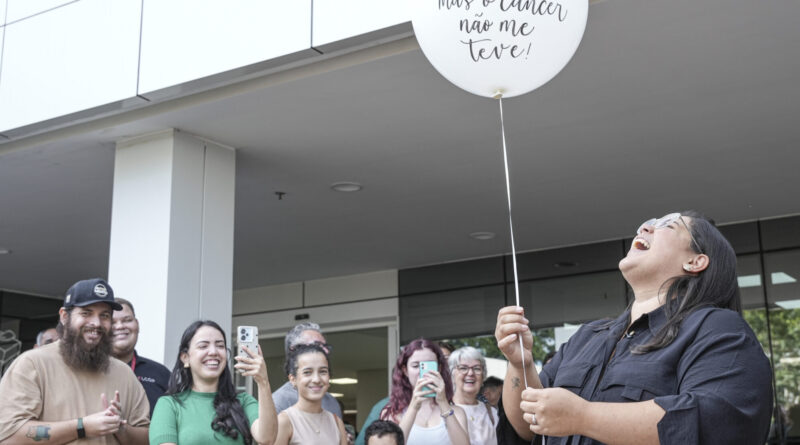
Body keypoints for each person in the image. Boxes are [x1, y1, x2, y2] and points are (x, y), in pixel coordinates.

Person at [495, 211, 773, 444]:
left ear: (694, 261)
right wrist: (520, 365)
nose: (645, 227)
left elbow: (713, 421)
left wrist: (584, 417)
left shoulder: (716, 328)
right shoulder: (588, 336)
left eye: (668, 226)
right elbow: (528, 428)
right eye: (649, 223)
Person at [0, 277, 150, 444]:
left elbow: (147, 438)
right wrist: (81, 427)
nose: (96, 323)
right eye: (86, 313)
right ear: (64, 316)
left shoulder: (124, 373)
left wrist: (121, 428)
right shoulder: (32, 364)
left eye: (105, 315)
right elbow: (9, 436)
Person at [149, 320, 277, 445]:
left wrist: (263, 382)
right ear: (185, 358)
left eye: (220, 346)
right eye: (203, 346)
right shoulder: (169, 405)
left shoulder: (243, 401)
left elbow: (266, 439)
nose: (213, 352)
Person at [380, 338, 469, 445]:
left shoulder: (457, 412)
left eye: (429, 366)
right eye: (416, 366)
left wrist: (443, 402)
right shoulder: (392, 414)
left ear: (439, 369)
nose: (423, 372)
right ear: (405, 370)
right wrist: (413, 407)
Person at [275, 343, 347, 445]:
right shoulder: (284, 421)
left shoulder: (336, 422)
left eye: (323, 371)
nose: (316, 379)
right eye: (307, 372)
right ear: (293, 379)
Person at [111, 298, 170, 417]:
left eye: (127, 320)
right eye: (112, 322)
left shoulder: (161, 373)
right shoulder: (89, 371)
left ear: (137, 324)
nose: (120, 326)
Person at [272, 322, 343, 418]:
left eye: (325, 346)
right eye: (317, 345)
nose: (325, 351)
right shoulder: (279, 402)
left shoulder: (332, 403)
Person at [450, 346, 498, 445]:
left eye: (477, 368)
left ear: (483, 376)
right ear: (452, 374)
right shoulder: (443, 411)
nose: (471, 373)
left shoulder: (492, 413)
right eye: (463, 368)